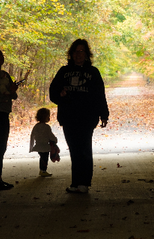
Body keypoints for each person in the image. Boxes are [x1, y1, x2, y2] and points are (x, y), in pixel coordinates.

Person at [48, 39, 109, 194]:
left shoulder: (93, 72)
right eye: (76, 51)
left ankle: (84, 183)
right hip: (69, 116)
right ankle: (75, 183)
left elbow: (99, 94)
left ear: (87, 54)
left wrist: (104, 114)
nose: (78, 54)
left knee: (84, 149)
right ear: (71, 54)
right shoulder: (63, 71)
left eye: (81, 51)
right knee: (74, 150)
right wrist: (60, 95)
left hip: (87, 117)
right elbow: (53, 92)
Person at [0, 47, 28, 190]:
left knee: (2, 146)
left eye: (1, 54)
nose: (0, 57)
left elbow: (13, 96)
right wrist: (9, 93)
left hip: (3, 112)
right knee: (0, 146)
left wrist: (12, 91)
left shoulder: (5, 75)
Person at [29, 108, 59, 177]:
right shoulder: (46, 127)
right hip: (45, 146)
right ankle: (43, 170)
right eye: (48, 116)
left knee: (42, 158)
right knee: (45, 158)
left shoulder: (36, 126)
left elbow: (32, 136)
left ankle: (42, 170)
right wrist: (55, 140)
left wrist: (31, 147)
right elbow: (51, 136)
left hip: (38, 145)